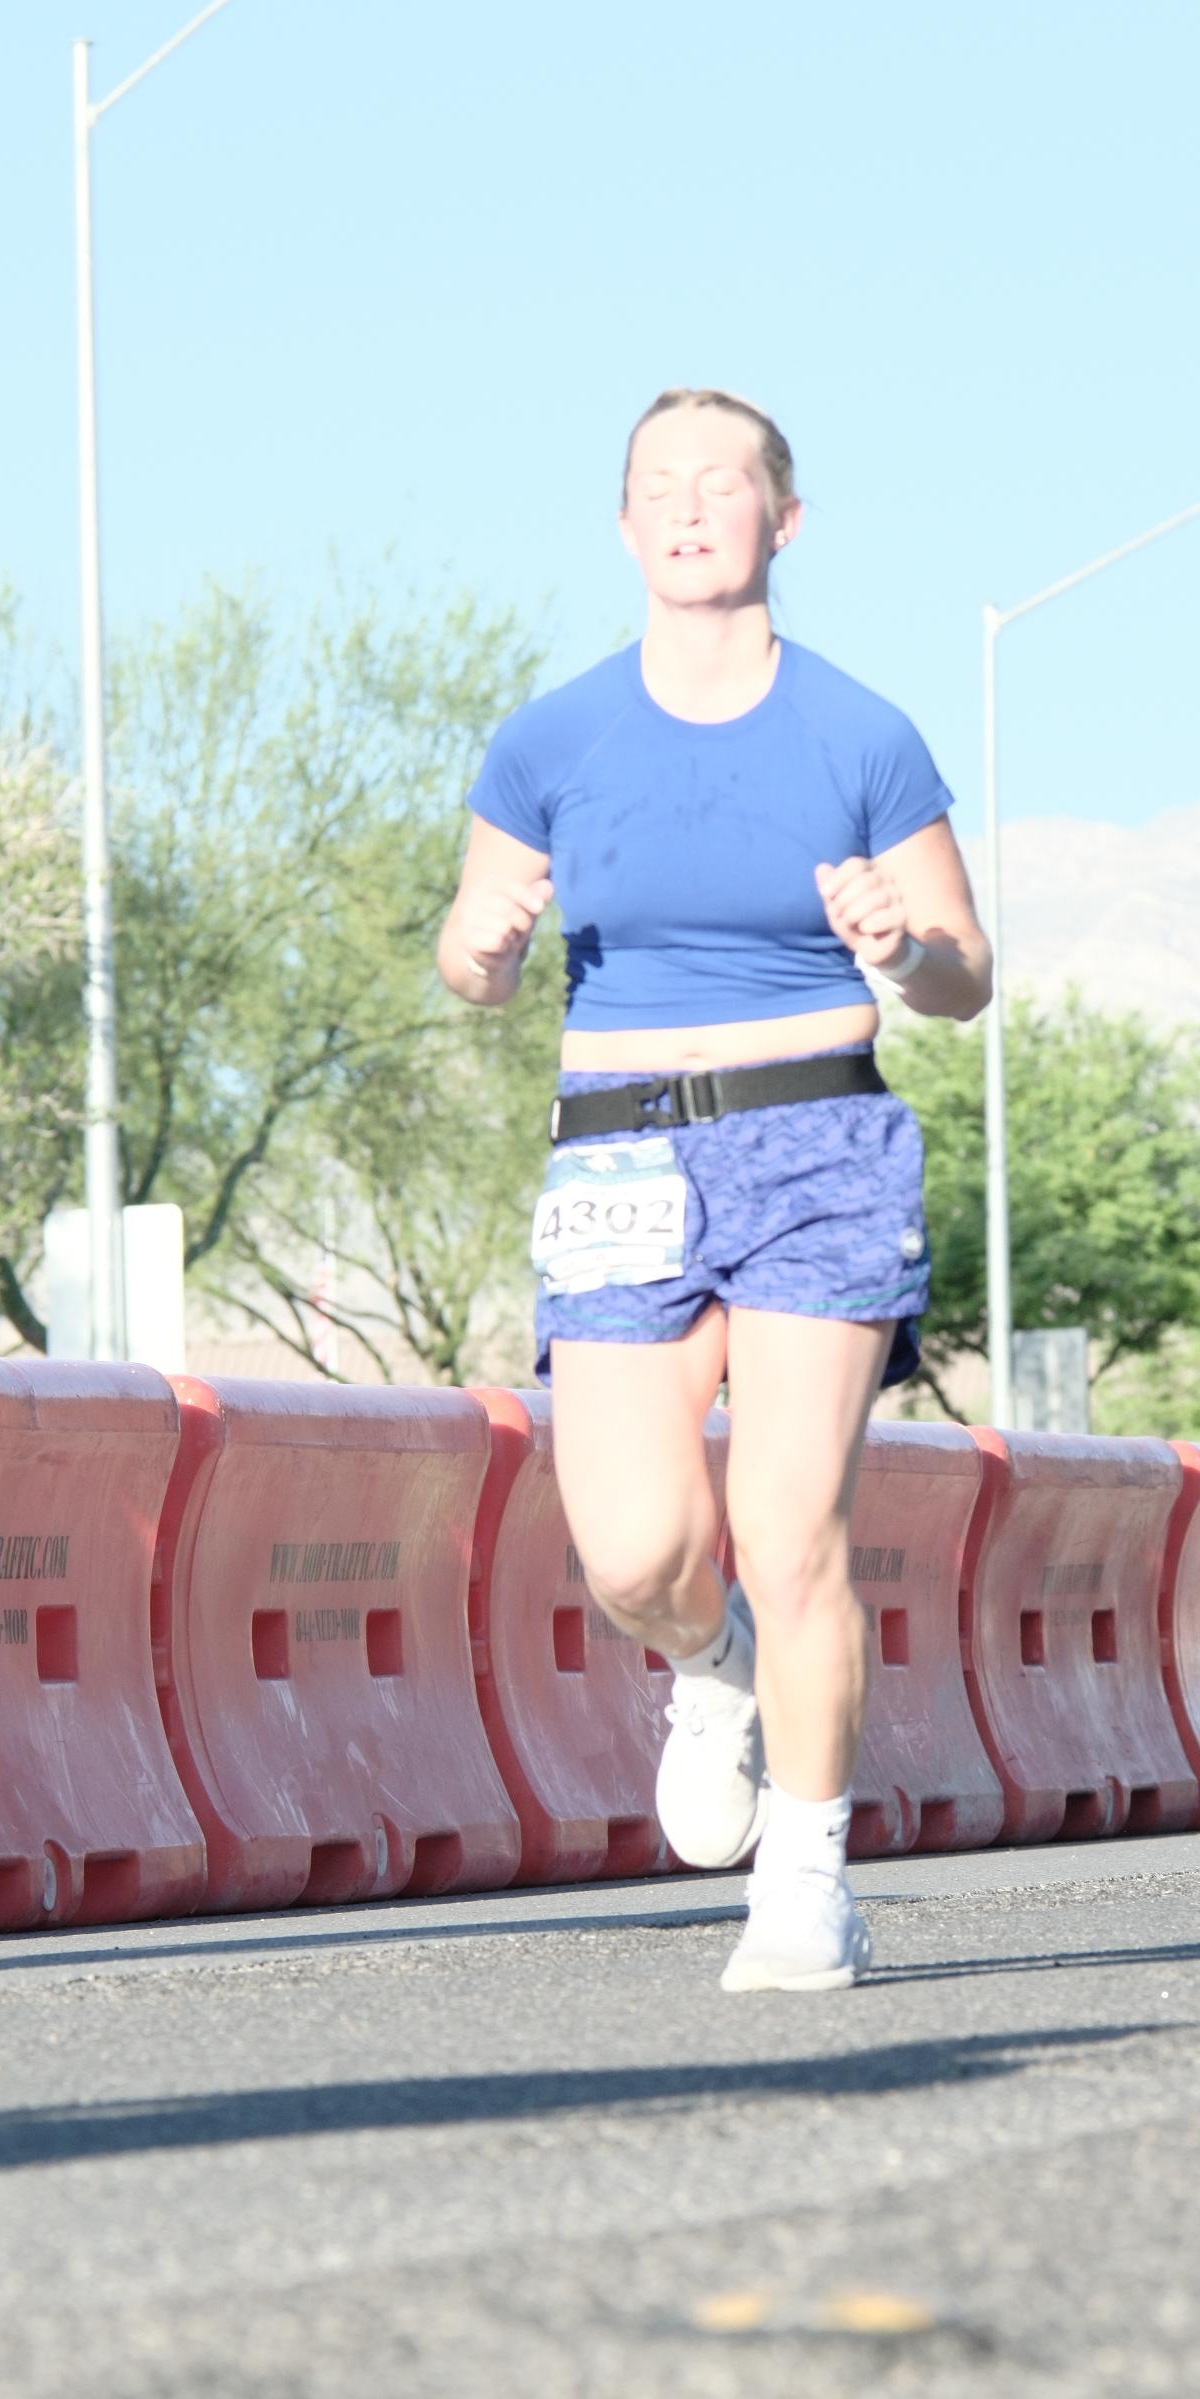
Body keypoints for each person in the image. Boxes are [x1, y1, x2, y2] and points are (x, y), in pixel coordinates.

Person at [436, 390, 992, 1988]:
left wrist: (903, 947)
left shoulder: (860, 735)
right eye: (658, 487)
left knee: (789, 1526)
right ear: (624, 527)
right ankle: (710, 1662)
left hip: (815, 1141)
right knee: (633, 1554)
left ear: (782, 519)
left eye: (723, 483)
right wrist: (483, 951)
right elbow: (473, 951)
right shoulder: (550, 740)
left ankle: (807, 1882)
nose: (689, 508)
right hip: (617, 1149)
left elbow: (965, 975)